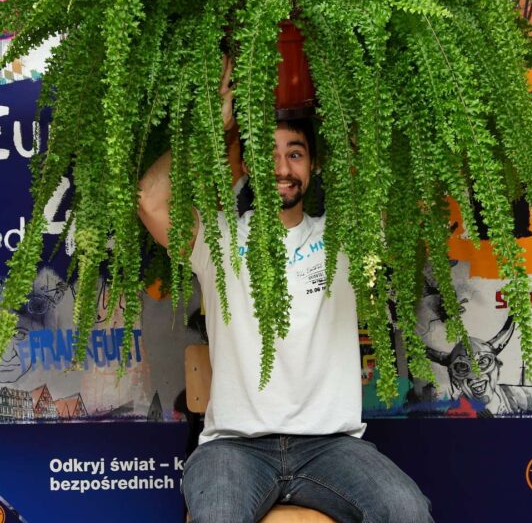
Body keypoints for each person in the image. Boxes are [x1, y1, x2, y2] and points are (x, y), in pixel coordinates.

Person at [138, 62, 433, 523]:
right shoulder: (216, 239)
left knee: (407, 511)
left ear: (314, 165)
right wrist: (211, 125)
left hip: (330, 447)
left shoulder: (345, 239)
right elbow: (151, 199)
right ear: (248, 165)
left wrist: (348, 114)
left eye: (295, 154)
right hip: (235, 448)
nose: (281, 168)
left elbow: (408, 199)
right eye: (267, 154)